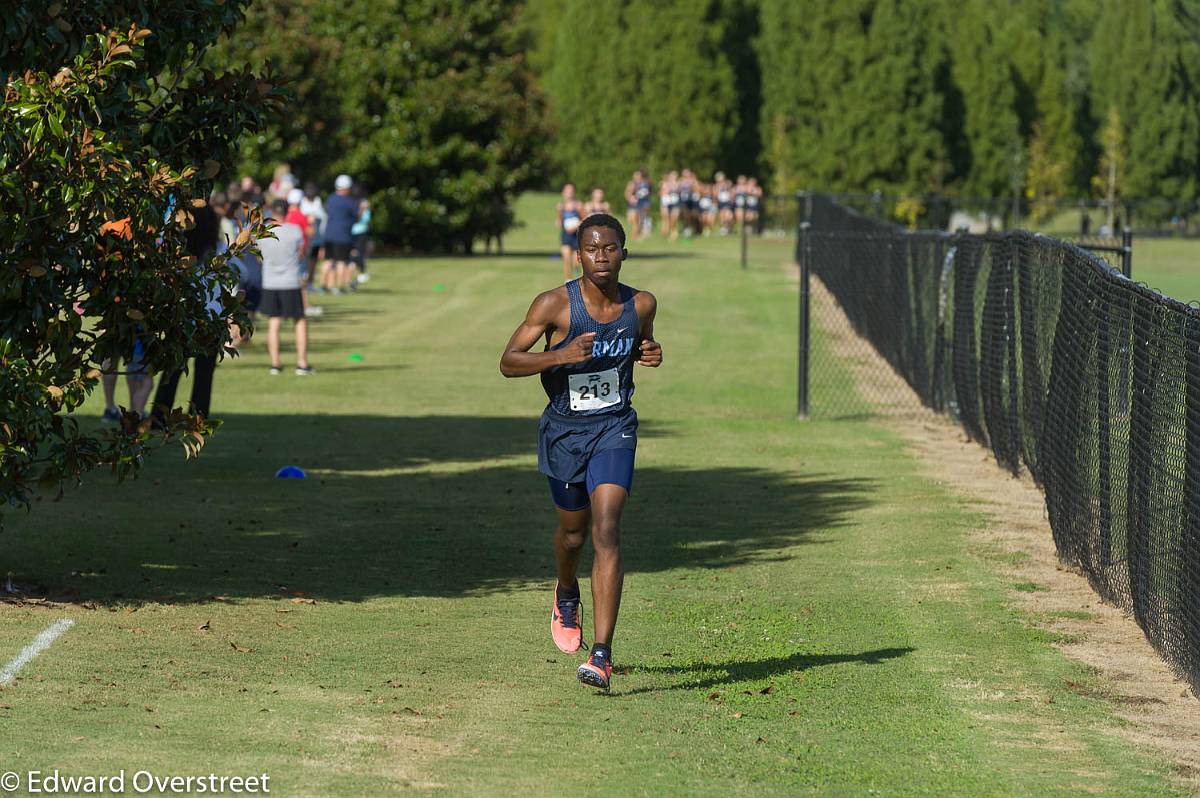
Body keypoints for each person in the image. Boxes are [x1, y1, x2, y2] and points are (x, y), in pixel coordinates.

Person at [498, 213, 663, 690]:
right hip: (564, 433)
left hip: (614, 427)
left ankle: (602, 654)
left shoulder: (642, 303)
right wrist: (559, 356)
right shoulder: (555, 305)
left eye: (610, 248)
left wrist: (650, 353)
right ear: (579, 255)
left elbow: (639, 345)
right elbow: (508, 362)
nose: (602, 257)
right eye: (592, 249)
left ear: (624, 253)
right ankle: (566, 591)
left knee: (606, 528)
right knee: (573, 536)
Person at [151, 198, 223, 423]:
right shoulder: (218, 251)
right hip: (212, 315)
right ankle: (199, 416)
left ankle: (159, 415)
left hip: (183, 315)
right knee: (203, 371)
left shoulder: (177, 254)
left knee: (172, 369)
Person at [259, 200, 314, 375]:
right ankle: (302, 363)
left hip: (270, 282)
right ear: (287, 212)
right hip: (290, 281)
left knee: (274, 321)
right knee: (299, 321)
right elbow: (301, 254)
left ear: (271, 211)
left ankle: (275, 364)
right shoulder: (295, 230)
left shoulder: (262, 233)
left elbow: (259, 257)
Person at [320, 174, 359, 294]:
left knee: (328, 261)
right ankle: (339, 287)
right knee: (341, 261)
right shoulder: (349, 201)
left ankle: (323, 285)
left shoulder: (331, 198)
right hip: (343, 235)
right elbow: (356, 216)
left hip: (329, 234)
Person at [556, 183, 583, 283]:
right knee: (566, 258)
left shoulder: (578, 205)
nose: (569, 193)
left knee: (576, 261)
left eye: (571, 190)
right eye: (567, 191)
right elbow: (559, 220)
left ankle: (577, 274)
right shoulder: (560, 206)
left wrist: (575, 225)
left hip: (576, 235)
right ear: (563, 193)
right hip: (566, 235)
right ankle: (568, 281)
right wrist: (559, 222)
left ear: (574, 192)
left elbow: (584, 219)